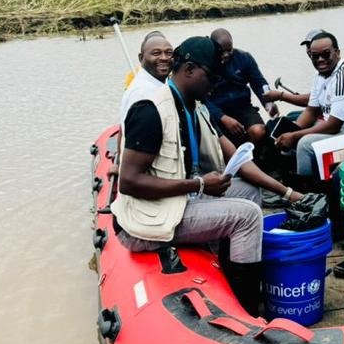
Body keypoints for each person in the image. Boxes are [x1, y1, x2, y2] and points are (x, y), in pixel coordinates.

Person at [113, 36, 311, 316]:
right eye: (212, 77)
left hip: (179, 200)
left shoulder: (195, 107)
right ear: (189, 69)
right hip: (149, 218)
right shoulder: (151, 110)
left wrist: (288, 193)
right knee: (247, 216)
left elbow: (237, 159)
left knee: (249, 192)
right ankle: (246, 311)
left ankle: (227, 277)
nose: (215, 85)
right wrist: (200, 184)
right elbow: (128, 181)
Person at [275, 31, 344, 176]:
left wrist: (294, 136)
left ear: (337, 52)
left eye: (326, 54)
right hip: (339, 133)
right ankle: (287, 177)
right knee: (285, 131)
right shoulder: (319, 76)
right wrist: (290, 132)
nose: (320, 59)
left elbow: (333, 125)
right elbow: (311, 111)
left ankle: (306, 188)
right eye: (315, 56)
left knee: (304, 144)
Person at [204, 28, 279, 146]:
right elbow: (201, 99)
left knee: (258, 131)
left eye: (229, 50)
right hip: (216, 111)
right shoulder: (205, 63)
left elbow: (259, 84)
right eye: (222, 51)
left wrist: (269, 104)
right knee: (221, 144)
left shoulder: (244, 58)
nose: (226, 55)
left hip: (243, 107)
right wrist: (223, 118)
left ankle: (256, 155)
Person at [118, 31, 174, 122]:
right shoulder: (142, 94)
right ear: (141, 58)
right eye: (156, 53)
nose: (164, 58)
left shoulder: (160, 84)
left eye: (169, 53)